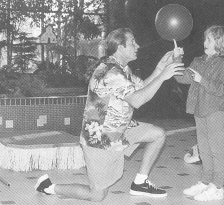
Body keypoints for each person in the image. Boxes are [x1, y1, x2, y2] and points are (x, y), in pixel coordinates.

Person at [34, 28, 184, 201]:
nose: (138, 45)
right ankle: (49, 187)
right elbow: (137, 100)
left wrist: (160, 68)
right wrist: (163, 76)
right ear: (120, 47)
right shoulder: (110, 72)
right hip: (100, 137)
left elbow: (141, 87)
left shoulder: (121, 68)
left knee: (157, 135)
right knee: (97, 195)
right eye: (133, 42)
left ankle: (140, 183)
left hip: (120, 128)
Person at [175, 25, 224, 201]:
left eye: (209, 39)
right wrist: (177, 58)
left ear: (219, 42)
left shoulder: (223, 64)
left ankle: (218, 186)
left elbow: (222, 89)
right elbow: (181, 77)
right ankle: (206, 182)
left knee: (216, 149)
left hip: (214, 110)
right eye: (205, 39)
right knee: (204, 149)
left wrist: (202, 80)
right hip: (199, 110)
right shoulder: (198, 61)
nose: (204, 42)